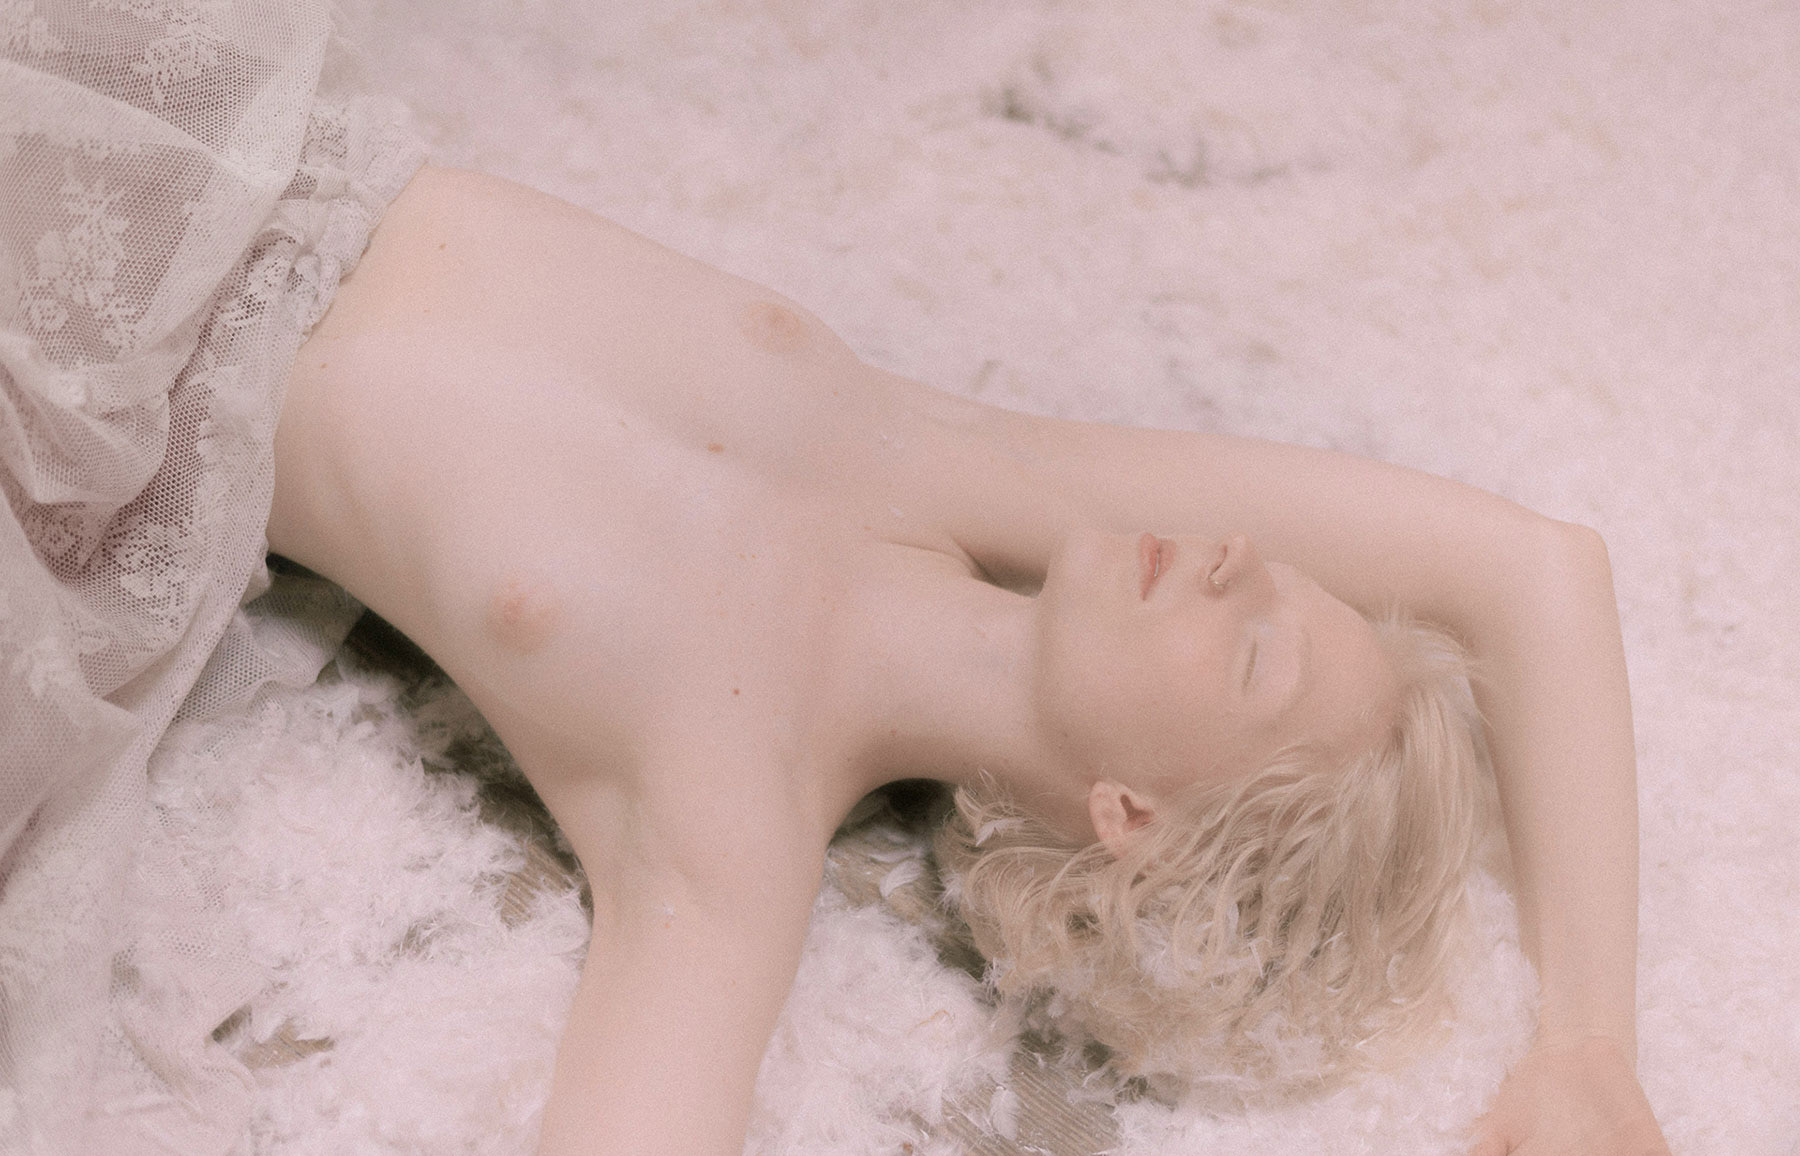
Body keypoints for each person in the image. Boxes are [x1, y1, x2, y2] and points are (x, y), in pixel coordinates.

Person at [261, 165, 1671, 1156]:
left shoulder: (729, 827)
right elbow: (1537, 569)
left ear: (1133, 816)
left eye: (1253, 656)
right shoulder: (958, 463)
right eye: (1275, 579)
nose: (1237, 558)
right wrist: (1589, 1043)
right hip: (249, 107)